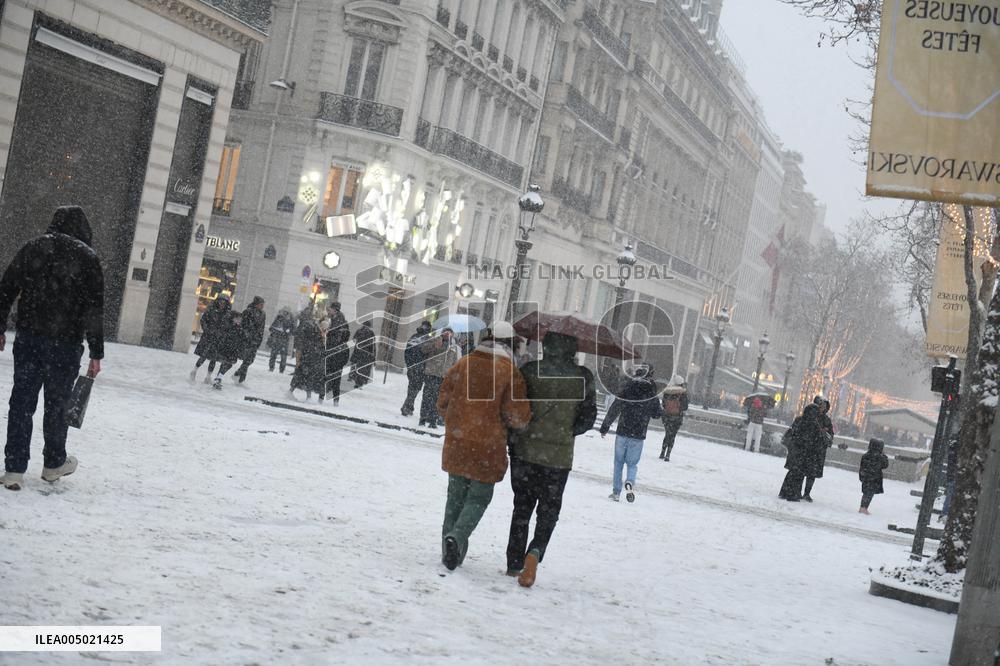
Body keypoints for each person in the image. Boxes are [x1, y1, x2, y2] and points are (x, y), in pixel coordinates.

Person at [0, 206, 104, 491]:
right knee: (57, 405)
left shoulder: (33, 248)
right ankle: (53, 463)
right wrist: (96, 353)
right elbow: (94, 310)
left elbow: (6, 288)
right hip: (66, 344)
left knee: (21, 402)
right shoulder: (88, 258)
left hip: (30, 338)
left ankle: (14, 469)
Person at [437, 321, 531, 571]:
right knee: (478, 498)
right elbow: (517, 416)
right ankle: (456, 538)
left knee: (454, 497)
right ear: (511, 343)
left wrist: (458, 421)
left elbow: (442, 400)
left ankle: (450, 549)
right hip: (488, 448)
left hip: (457, 442)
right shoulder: (509, 372)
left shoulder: (464, 363)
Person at [506, 332, 596, 587]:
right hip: (558, 457)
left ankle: (514, 563)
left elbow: (516, 405)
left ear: (546, 346)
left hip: (525, 452)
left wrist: (519, 434)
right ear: (573, 349)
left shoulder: (530, 370)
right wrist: (567, 431)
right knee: (549, 510)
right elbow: (588, 418)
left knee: (522, 508)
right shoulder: (583, 377)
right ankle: (535, 552)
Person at [599, 364, 663, 503]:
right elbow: (656, 414)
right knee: (632, 464)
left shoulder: (628, 386)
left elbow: (616, 406)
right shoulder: (651, 390)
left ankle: (616, 492)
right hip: (639, 433)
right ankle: (630, 482)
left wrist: (605, 426)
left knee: (618, 463)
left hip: (623, 430)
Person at [778, 403, 825, 501]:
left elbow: (794, 433)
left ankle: (785, 492)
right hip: (805, 453)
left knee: (792, 472)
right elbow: (815, 440)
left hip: (795, 451)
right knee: (799, 474)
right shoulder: (813, 424)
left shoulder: (799, 420)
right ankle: (794, 494)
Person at [420, 327, 460, 428]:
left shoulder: (454, 346)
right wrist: (435, 345)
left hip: (444, 377)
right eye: (446, 333)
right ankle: (423, 418)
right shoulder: (435, 340)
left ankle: (433, 420)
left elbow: (455, 362)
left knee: (439, 399)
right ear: (443, 333)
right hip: (432, 374)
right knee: (427, 397)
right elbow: (423, 349)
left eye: (450, 333)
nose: (448, 335)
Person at [801, 395, 835, 501]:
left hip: (818, 450)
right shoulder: (811, 417)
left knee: (812, 473)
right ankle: (798, 490)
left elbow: (831, 434)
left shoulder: (826, 420)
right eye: (821, 405)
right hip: (809, 448)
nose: (822, 408)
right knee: (802, 471)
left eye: (824, 406)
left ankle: (807, 493)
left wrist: (825, 433)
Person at [289, 307, 326, 401]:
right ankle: (307, 396)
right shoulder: (310, 325)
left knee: (302, 374)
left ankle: (293, 392)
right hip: (308, 354)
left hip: (308, 353)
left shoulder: (312, 325)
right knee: (307, 375)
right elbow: (306, 340)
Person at [191, 296, 231, 382]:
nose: (222, 304)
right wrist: (207, 330)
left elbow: (228, 327)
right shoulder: (211, 310)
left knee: (214, 359)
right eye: (221, 302)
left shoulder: (227, 314)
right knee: (204, 356)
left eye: (224, 303)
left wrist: (223, 334)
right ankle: (194, 370)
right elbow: (203, 320)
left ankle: (208, 376)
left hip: (218, 339)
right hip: (208, 337)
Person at [401, 321, 432, 416]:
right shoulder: (427, 339)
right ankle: (406, 407)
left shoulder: (414, 336)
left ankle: (409, 406)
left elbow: (407, 351)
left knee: (412, 387)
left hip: (412, 366)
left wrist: (409, 364)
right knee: (416, 388)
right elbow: (429, 355)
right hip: (421, 367)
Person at [234, 296, 266, 384]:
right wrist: (244, 333)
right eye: (261, 304)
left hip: (255, 339)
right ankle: (240, 378)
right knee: (245, 358)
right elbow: (240, 324)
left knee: (250, 360)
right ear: (256, 304)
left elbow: (262, 328)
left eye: (263, 304)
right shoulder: (247, 311)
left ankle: (238, 374)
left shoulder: (263, 314)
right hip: (246, 339)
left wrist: (259, 339)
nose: (262, 306)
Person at [323, 302, 351, 406]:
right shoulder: (341, 321)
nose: (328, 311)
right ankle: (335, 401)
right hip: (339, 354)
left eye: (330, 309)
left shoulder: (337, 322)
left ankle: (322, 398)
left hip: (335, 354)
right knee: (335, 378)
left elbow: (336, 339)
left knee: (327, 376)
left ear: (334, 310)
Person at [210, 309, 243, 390]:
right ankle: (218, 379)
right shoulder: (229, 326)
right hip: (227, 349)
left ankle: (218, 378)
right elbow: (226, 336)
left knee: (227, 364)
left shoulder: (237, 327)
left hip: (233, 349)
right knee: (227, 364)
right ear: (233, 318)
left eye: (240, 319)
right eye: (237, 318)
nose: (239, 320)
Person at [659, 375, 689, 462]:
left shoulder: (668, 391)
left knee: (667, 434)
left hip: (667, 417)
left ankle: (662, 452)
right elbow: (685, 407)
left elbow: (664, 405)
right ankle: (668, 454)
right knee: (672, 436)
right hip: (677, 418)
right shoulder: (682, 393)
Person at [858, 438, 889, 515]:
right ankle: (863, 508)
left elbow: (862, 466)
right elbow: (885, 465)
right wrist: (884, 455)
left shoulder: (866, 455)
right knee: (869, 494)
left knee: (866, 493)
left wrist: (862, 476)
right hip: (875, 478)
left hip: (866, 477)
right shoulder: (880, 457)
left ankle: (863, 507)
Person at [267, 307, 295, 373]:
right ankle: (273, 367)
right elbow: (271, 328)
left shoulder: (290, 320)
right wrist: (276, 329)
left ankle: (279, 368)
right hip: (278, 339)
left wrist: (287, 331)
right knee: (276, 354)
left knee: (281, 355)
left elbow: (293, 331)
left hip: (282, 340)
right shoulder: (279, 318)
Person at [349, 320, 376, 389]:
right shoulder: (371, 333)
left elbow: (354, 340)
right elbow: (373, 346)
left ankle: (355, 379)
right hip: (366, 354)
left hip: (358, 352)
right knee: (363, 369)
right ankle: (359, 382)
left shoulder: (359, 331)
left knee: (357, 367)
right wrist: (373, 356)